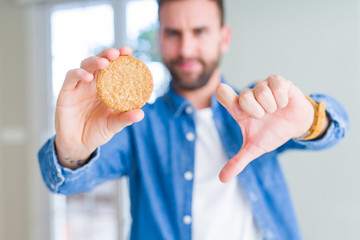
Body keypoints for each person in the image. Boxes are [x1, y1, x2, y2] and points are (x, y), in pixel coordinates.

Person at [38, 0, 349, 239]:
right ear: (160, 38)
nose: (186, 48)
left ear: (223, 38)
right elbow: (65, 182)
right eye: (173, 33)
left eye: (199, 31)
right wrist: (72, 149)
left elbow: (336, 127)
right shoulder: (134, 123)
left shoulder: (260, 108)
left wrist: (310, 118)